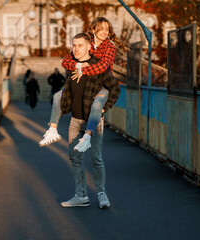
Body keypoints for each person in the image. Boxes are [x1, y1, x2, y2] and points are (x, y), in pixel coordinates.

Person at [39, 17, 129, 152]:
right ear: (93, 29)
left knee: (98, 103)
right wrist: (79, 64)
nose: (105, 32)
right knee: (58, 96)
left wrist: (82, 71)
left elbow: (103, 67)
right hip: (85, 83)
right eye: (101, 28)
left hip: (102, 83)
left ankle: (87, 138)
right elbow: (66, 62)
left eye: (107, 29)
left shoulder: (109, 47)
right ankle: (52, 130)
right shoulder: (86, 42)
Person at [58, 33, 120, 208]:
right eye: (73, 45)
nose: (75, 49)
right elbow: (68, 89)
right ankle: (81, 196)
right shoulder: (72, 66)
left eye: (79, 45)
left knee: (96, 158)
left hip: (93, 122)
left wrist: (104, 108)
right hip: (75, 120)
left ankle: (101, 194)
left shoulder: (99, 67)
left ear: (88, 47)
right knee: (75, 158)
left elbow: (114, 88)